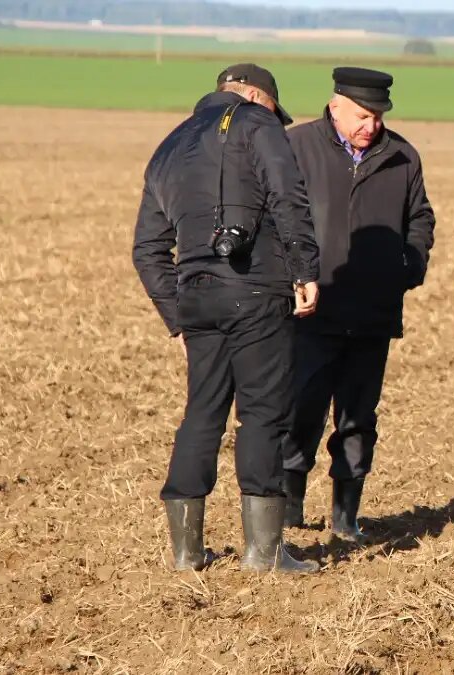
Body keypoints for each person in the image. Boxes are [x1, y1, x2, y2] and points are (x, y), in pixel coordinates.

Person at [132, 63, 322, 574]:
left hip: (196, 299)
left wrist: (178, 316)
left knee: (202, 413)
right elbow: (287, 195)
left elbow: (147, 249)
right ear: (258, 97)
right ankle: (264, 553)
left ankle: (185, 552)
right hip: (257, 292)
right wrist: (305, 270)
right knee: (262, 412)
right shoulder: (257, 123)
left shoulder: (168, 146)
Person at [279, 66, 436, 540]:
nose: (372, 126)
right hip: (310, 312)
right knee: (299, 411)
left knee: (358, 419)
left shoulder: (402, 156)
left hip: (372, 313)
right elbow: (276, 215)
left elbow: (421, 219)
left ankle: (346, 519)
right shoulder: (295, 146)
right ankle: (290, 512)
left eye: (379, 116)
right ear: (335, 106)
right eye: (363, 116)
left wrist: (406, 267)